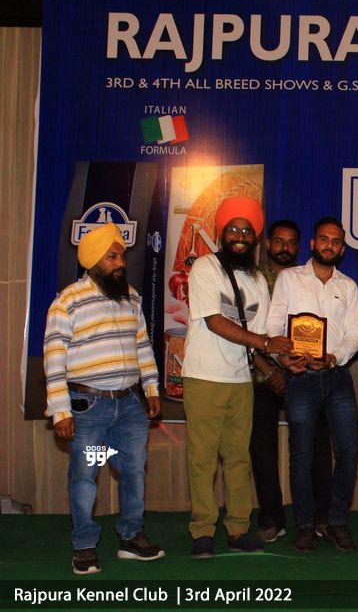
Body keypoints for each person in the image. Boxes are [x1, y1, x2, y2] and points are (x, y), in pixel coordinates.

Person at [43, 222, 165, 574]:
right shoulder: (67, 302)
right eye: (112, 257)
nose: (120, 263)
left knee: (133, 471)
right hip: (88, 408)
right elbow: (54, 358)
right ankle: (84, 544)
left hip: (129, 406)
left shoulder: (131, 296)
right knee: (85, 476)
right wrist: (60, 410)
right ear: (93, 260)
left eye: (121, 256)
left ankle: (131, 537)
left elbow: (142, 345)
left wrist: (151, 388)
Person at [181, 197, 293, 558]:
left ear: (255, 237)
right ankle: (202, 531)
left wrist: (277, 363)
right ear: (221, 233)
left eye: (247, 231)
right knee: (202, 459)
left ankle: (238, 529)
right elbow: (216, 322)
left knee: (238, 458)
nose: (240, 236)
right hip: (204, 377)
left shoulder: (258, 279)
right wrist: (266, 345)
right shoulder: (205, 267)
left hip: (241, 380)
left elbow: (257, 340)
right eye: (233, 229)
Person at [266, 217, 358, 553]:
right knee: (302, 456)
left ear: (342, 249)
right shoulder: (289, 278)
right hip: (300, 378)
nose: (329, 245)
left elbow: (355, 334)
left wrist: (334, 357)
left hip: (337, 377)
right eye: (324, 239)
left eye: (336, 241)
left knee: (349, 450)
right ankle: (305, 526)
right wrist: (284, 359)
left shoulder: (348, 286)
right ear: (312, 243)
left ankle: (336, 522)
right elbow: (274, 326)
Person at [249, 219, 334, 545]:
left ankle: (319, 518)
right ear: (268, 244)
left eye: (291, 242)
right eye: (279, 241)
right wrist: (270, 370)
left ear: (299, 246)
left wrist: (298, 367)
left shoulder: (307, 279)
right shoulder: (252, 279)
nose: (284, 247)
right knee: (262, 450)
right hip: (262, 376)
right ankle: (272, 519)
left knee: (317, 447)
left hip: (306, 375)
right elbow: (245, 330)